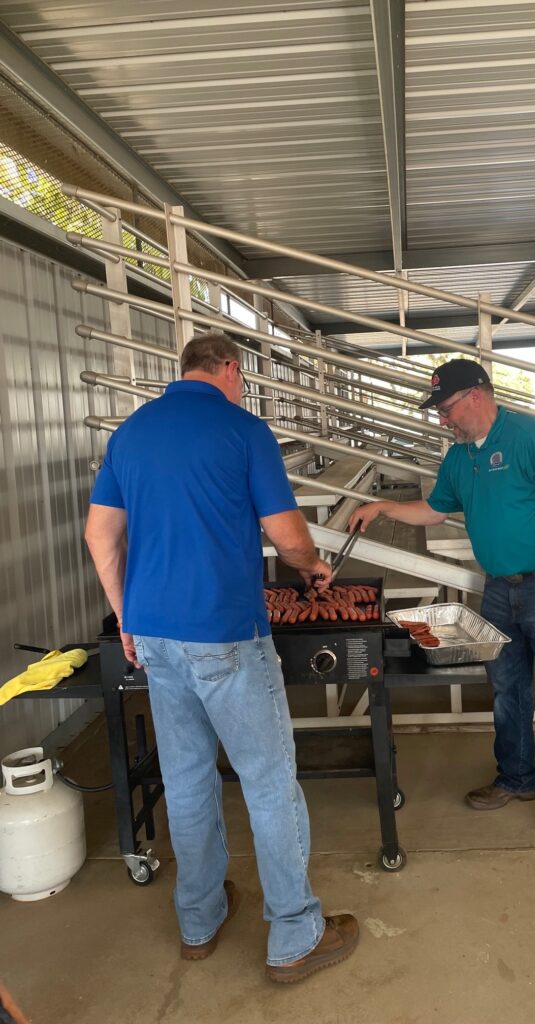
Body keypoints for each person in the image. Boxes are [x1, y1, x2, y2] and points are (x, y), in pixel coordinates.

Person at [85, 330, 359, 983]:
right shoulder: (243, 430)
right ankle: (295, 935)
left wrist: (128, 615)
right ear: (230, 368)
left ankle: (199, 921)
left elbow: (101, 534)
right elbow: (287, 535)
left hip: (155, 634)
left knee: (185, 780)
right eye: (243, 377)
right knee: (267, 781)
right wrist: (313, 565)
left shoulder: (131, 433)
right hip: (225, 633)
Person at [349, 358, 535, 834]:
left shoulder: (529, 437)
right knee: (507, 691)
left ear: (476, 396)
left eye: (446, 409)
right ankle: (518, 777)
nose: (443, 419)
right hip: (500, 589)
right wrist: (384, 507)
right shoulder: (460, 457)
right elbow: (435, 510)